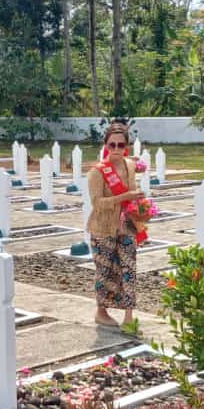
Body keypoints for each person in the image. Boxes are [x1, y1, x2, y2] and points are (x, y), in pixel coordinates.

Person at [87, 122, 145, 328]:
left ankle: (129, 316)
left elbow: (133, 189)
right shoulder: (97, 172)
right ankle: (101, 312)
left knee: (129, 269)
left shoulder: (129, 165)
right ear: (105, 145)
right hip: (102, 228)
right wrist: (125, 196)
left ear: (126, 146)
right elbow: (97, 203)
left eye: (121, 145)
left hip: (127, 225)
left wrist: (141, 207)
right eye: (112, 145)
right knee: (105, 270)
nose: (116, 149)